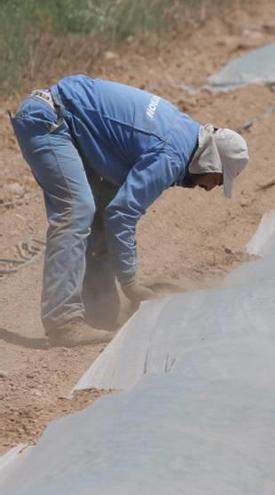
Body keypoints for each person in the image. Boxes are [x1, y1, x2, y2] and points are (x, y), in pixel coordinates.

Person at [9, 75, 249, 347]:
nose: (209, 189)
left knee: (99, 216)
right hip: (49, 121)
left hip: (66, 122)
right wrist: (131, 281)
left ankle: (98, 312)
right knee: (77, 209)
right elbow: (122, 214)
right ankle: (63, 322)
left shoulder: (183, 135)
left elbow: (112, 213)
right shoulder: (172, 154)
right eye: (216, 180)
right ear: (210, 161)